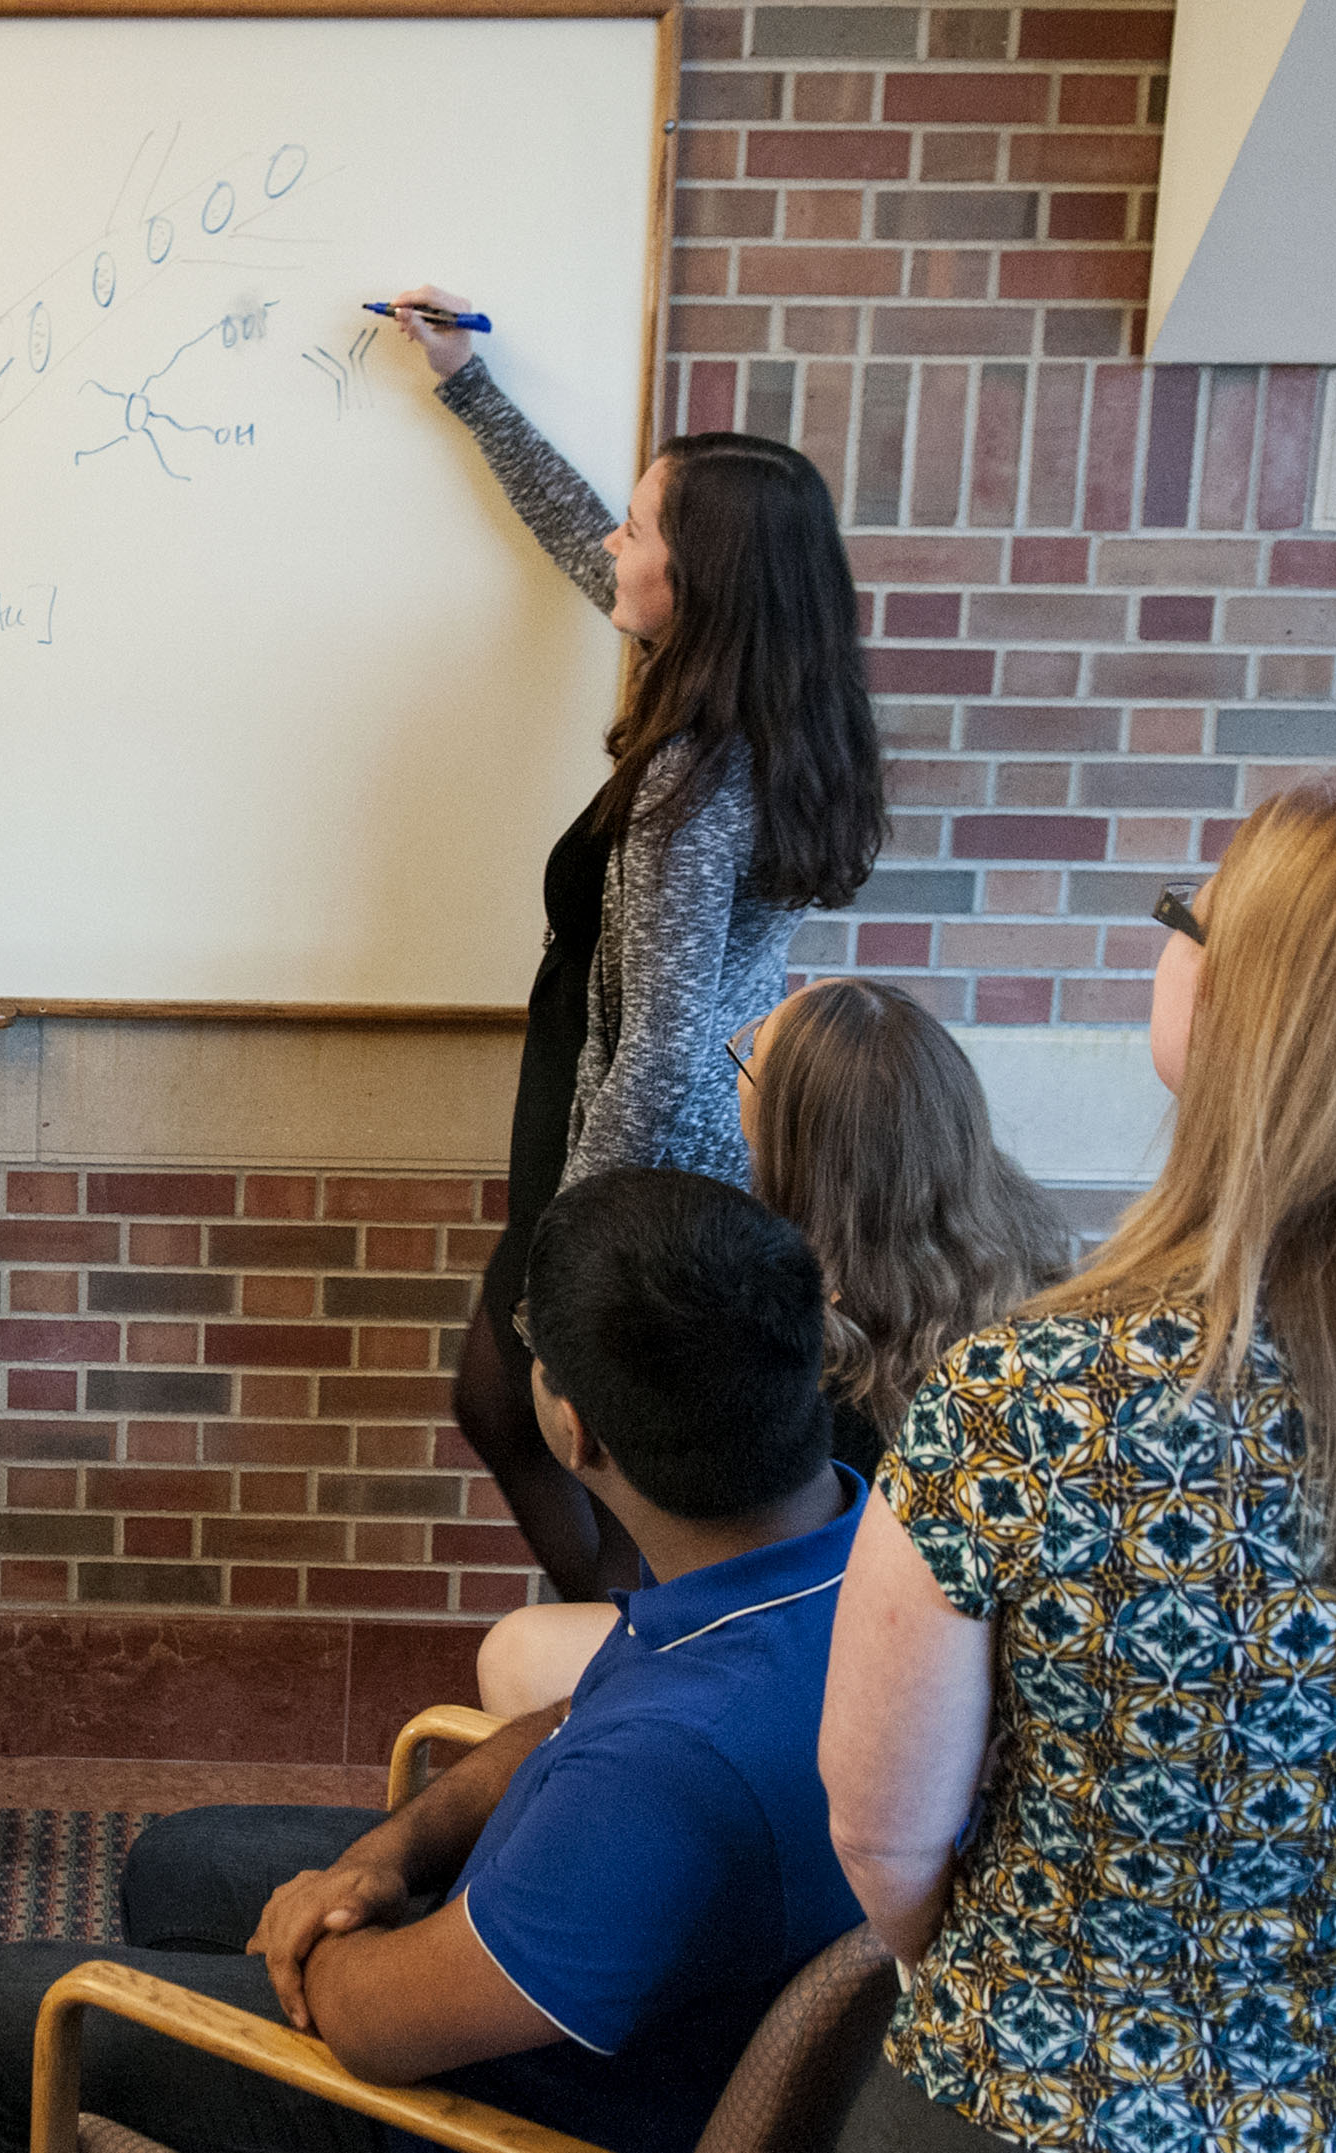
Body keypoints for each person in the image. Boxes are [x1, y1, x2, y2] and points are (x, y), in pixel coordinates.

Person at [0, 1168, 868, 2153]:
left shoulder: (669, 1774)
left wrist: (330, 1927)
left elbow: (381, 2025)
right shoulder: (842, 1553)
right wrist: (382, 1856)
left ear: (573, 1426)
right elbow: (568, 1722)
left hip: (498, 2109)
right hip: (577, 1955)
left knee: (10, 2008)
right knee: (182, 1860)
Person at [822, 770, 1336, 2152]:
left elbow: (884, 1840)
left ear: (1235, 1007)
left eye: (1183, 915)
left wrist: (1029, 1982)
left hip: (1036, 2097)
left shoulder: (1030, 1397)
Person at [388, 283, 886, 1601]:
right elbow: (574, 536)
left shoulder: (696, 772)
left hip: (638, 1143)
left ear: (700, 574)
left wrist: (573, 1245)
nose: (614, 543)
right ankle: (633, 1628)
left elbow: (661, 1039)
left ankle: (635, 1635)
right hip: (626, 1117)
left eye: (641, 527)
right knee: (525, 1409)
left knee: (533, 1405)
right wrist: (467, 387)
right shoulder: (732, 693)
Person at [478, 977, 1068, 1717]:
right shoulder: (1031, 1266)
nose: (740, 1070)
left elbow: (739, 1564)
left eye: (751, 1055)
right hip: (968, 1659)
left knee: (518, 1654)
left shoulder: (794, 1327)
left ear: (794, 1132)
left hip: (842, 1660)